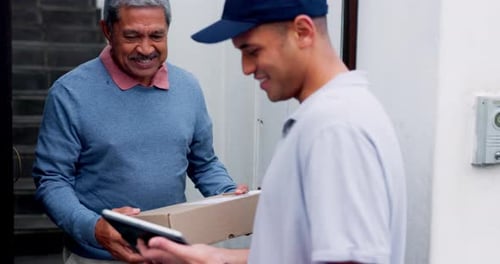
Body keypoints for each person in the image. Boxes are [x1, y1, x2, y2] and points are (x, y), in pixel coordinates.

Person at [137, 0, 407, 263]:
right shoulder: (333, 117)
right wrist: (218, 258)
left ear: (302, 32)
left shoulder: (335, 128)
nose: (246, 68)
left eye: (253, 51)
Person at [31, 0, 247, 263]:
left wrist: (228, 193)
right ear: (107, 30)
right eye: (132, 36)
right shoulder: (69, 93)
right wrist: (95, 227)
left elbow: (203, 163)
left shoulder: (188, 87)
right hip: (96, 257)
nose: (146, 49)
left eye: (156, 35)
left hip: (171, 253)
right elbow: (51, 181)